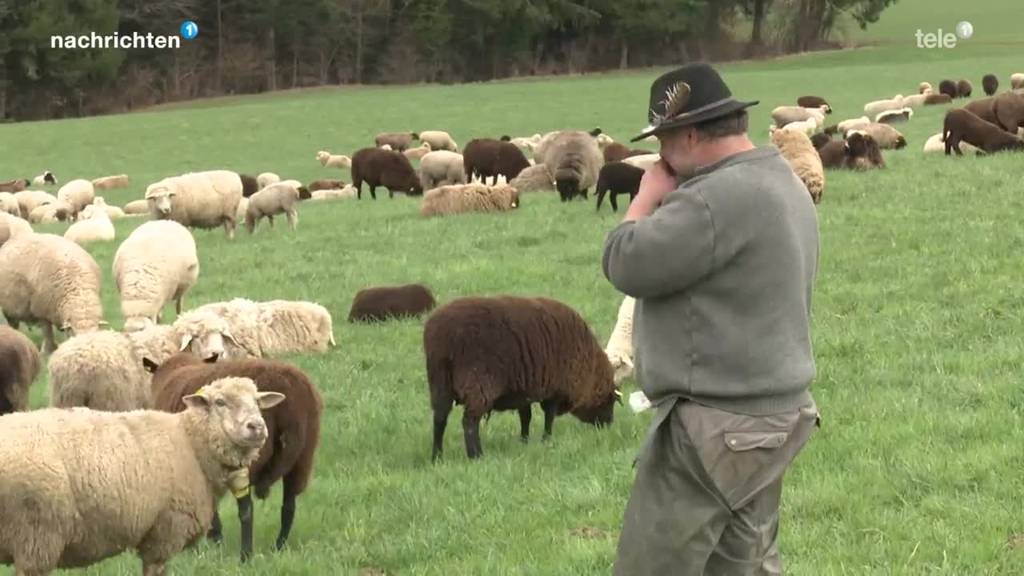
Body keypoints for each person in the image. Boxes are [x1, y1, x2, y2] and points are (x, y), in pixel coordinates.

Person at [602, 62, 822, 575]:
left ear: (692, 133)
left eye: (663, 142)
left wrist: (647, 196)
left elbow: (625, 260)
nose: (660, 156)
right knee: (740, 565)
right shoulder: (782, 179)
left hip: (715, 426)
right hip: (774, 416)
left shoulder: (711, 197)